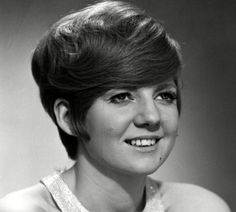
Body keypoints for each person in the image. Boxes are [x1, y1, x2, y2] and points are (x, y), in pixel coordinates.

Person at [0, 1, 231, 211]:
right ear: (68, 117)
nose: (152, 116)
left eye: (164, 96)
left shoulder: (200, 207)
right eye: (121, 97)